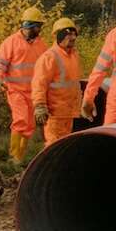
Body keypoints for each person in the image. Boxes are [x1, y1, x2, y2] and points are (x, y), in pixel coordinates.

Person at [0, 7, 48, 164]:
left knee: (29, 125)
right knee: (21, 120)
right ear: (29, 25)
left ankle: (19, 157)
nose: (40, 29)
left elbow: (47, 67)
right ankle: (15, 156)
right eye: (38, 26)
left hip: (33, 93)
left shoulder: (41, 45)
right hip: (15, 90)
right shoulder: (10, 43)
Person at [32, 18, 82, 146]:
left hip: (70, 112)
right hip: (54, 114)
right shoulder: (49, 57)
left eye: (73, 34)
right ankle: (49, 166)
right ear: (58, 36)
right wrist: (39, 105)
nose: (72, 38)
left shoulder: (74, 55)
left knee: (65, 146)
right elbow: (39, 83)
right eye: (68, 34)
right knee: (54, 146)